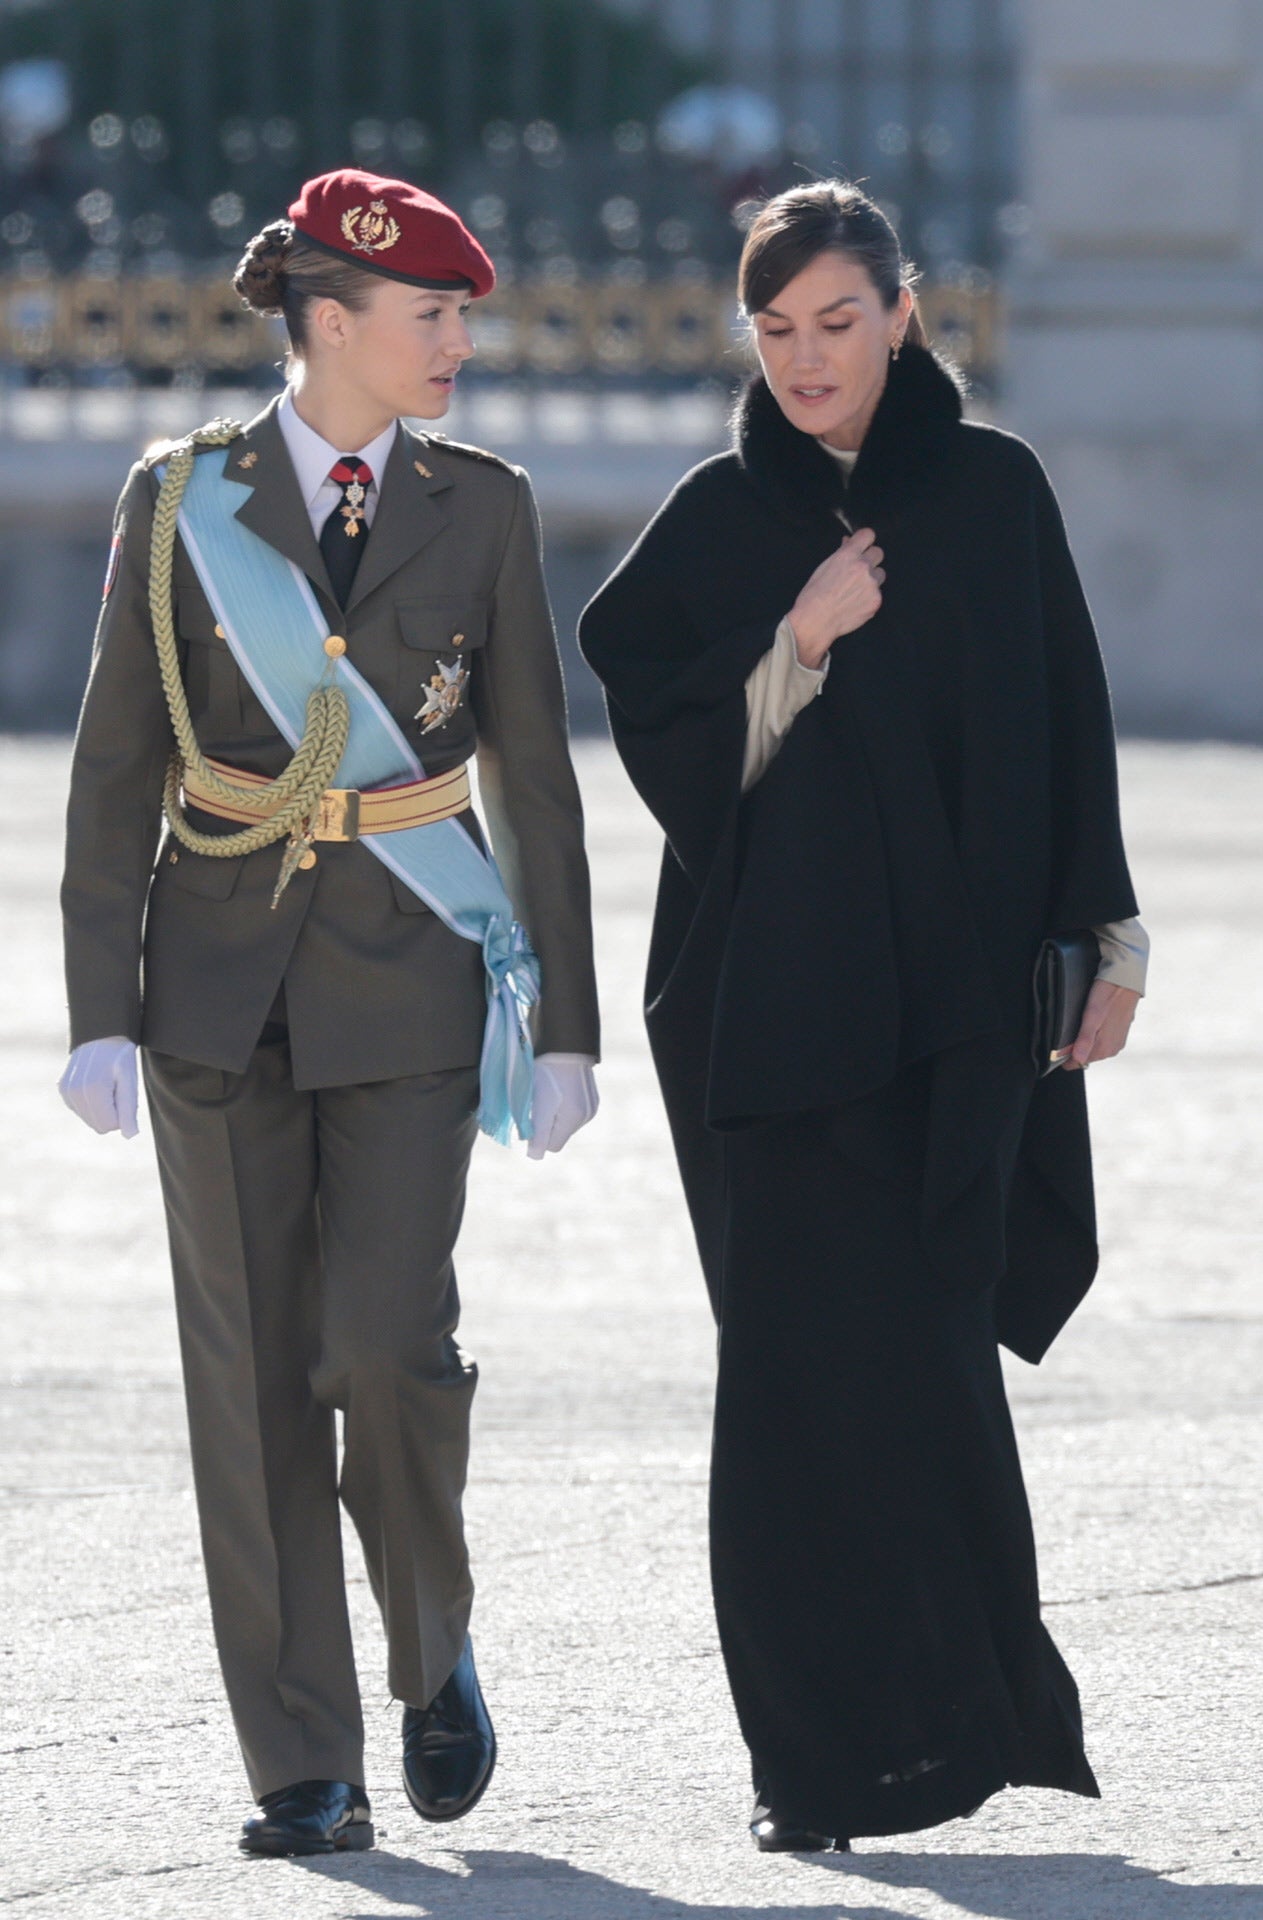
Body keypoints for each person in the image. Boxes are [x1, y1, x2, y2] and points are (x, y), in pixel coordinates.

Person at [579, 181, 1147, 1854]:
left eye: (838, 321)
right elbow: (683, 760)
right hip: (774, 1028)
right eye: (776, 330)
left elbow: (1070, 715)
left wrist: (1105, 943)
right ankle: (810, 1771)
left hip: (963, 1018)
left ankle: (964, 1729)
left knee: (927, 1372)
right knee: (786, 1393)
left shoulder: (993, 491)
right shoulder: (718, 517)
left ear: (904, 312)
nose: (808, 358)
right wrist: (797, 642)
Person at [58, 168, 600, 1857]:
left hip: (413, 992)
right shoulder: (183, 503)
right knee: (252, 1389)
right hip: (215, 990)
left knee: (382, 1348)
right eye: (431, 315)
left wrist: (565, 1019)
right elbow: (115, 772)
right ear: (331, 322)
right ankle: (304, 1758)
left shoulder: (482, 507)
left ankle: (431, 1647)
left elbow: (536, 775)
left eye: (460, 315)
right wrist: (95, 1008)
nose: (458, 341)